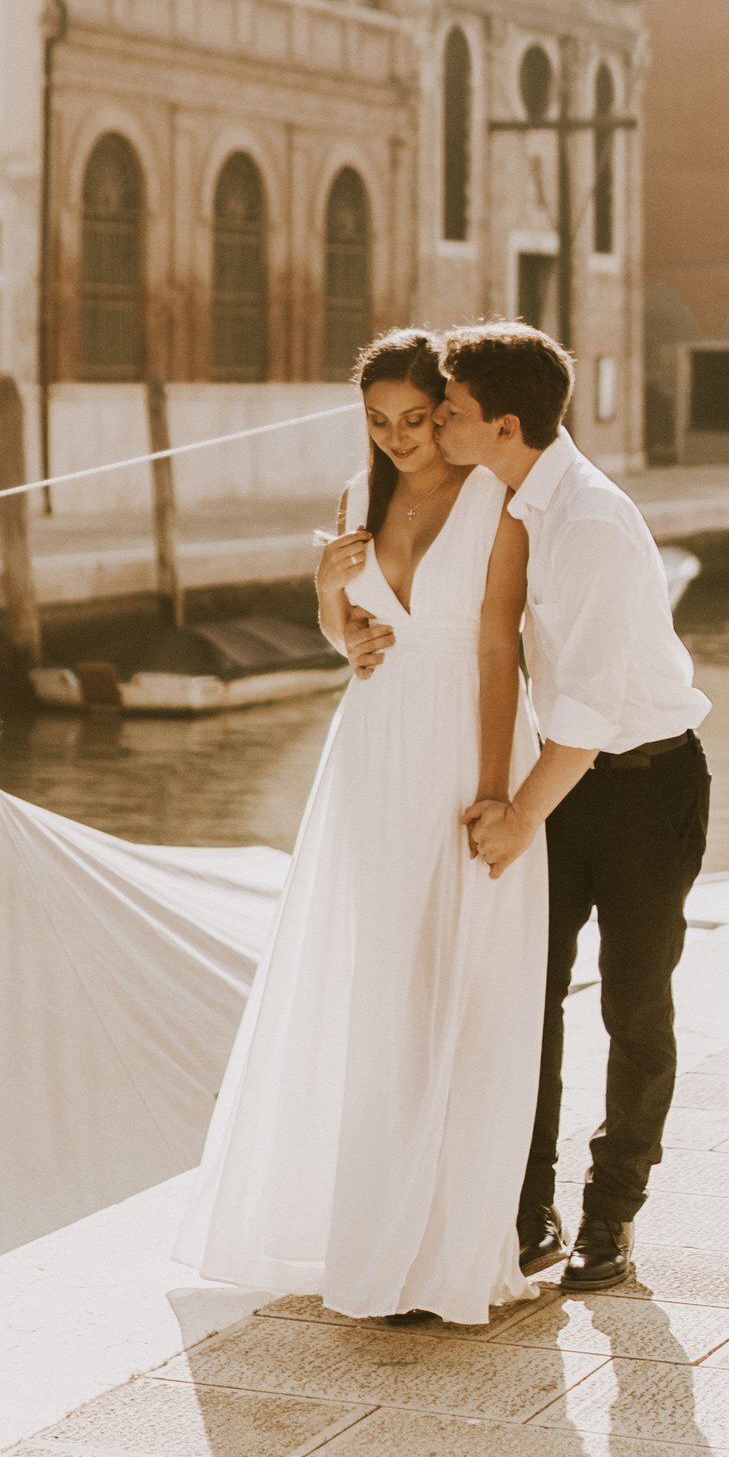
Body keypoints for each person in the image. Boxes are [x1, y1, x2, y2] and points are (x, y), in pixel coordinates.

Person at [178, 329, 546, 1326]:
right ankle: (372, 1233)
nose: (398, 441)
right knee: (379, 984)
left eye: (417, 421)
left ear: (450, 411)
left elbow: (497, 653)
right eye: (379, 423)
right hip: (374, 750)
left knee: (459, 989)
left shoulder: (495, 497)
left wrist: (490, 791)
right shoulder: (354, 500)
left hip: (466, 746)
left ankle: (449, 1246)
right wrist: (325, 598)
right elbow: (352, 643)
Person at [436, 322, 711, 1296]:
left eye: (452, 411)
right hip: (574, 781)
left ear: (504, 424)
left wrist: (514, 817)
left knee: (635, 1005)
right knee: (529, 997)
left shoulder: (585, 523)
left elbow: (589, 715)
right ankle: (525, 1212)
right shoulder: (514, 495)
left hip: (642, 787)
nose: (437, 422)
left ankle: (610, 1215)